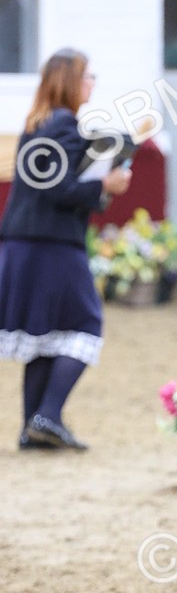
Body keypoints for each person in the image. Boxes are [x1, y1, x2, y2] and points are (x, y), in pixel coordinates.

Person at [0, 50, 131, 449]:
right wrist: (104, 186)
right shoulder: (66, 127)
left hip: (27, 243)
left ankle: (33, 430)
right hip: (52, 246)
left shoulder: (37, 124)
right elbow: (55, 188)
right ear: (71, 81)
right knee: (85, 326)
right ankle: (48, 415)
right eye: (88, 75)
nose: (92, 82)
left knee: (47, 336)